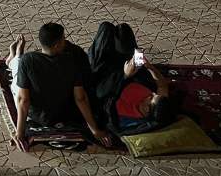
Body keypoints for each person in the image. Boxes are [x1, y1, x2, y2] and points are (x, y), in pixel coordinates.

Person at [9, 23, 112, 151]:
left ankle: (14, 58)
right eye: (63, 38)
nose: (66, 40)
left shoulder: (28, 60)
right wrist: (94, 129)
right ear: (57, 45)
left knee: (16, 80)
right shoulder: (72, 61)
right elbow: (80, 98)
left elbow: (23, 100)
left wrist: (19, 133)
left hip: (38, 117)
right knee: (19, 74)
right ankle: (14, 58)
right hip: (62, 115)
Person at [87, 22, 173, 134]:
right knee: (123, 30)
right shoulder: (160, 106)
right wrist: (149, 67)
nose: (152, 93)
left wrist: (125, 76)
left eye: (152, 97)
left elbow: (104, 95)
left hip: (104, 77)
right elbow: (162, 85)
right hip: (129, 71)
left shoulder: (125, 118)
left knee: (106, 28)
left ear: (146, 109)